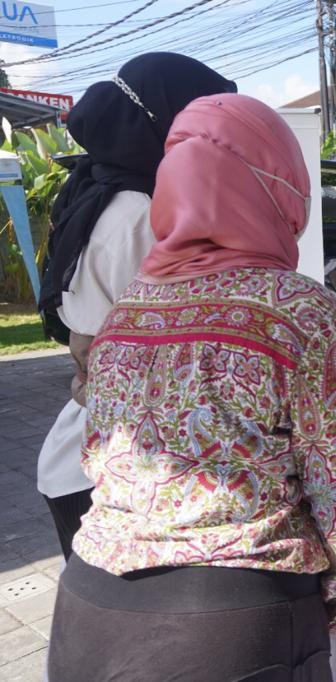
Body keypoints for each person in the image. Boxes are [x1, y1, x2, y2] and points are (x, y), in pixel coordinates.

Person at [47, 94, 336, 681]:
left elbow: (100, 454)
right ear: (279, 187)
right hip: (230, 625)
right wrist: (325, 608)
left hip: (87, 609)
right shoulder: (299, 311)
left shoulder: (128, 312)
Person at [35, 53, 237, 560]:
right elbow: (165, 358)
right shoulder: (141, 213)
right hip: (111, 465)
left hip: (89, 453)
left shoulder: (101, 185)